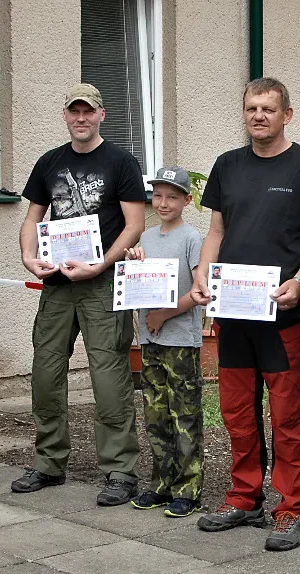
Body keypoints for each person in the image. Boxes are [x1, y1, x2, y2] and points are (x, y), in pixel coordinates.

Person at [191, 77, 300, 552]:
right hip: (233, 312)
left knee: (287, 415)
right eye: (252, 108)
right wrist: (202, 274)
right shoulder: (227, 165)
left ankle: (294, 506)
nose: (259, 116)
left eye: (268, 109)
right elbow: (216, 231)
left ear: (286, 114)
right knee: (236, 412)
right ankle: (244, 496)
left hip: (281, 314)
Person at [12, 83, 146, 505]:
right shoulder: (49, 162)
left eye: (89, 111)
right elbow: (32, 219)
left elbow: (134, 225)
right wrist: (29, 257)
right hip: (57, 284)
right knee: (46, 373)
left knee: (109, 377)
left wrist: (101, 264)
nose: (81, 118)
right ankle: (49, 463)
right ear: (66, 115)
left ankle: (120, 471)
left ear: (102, 114)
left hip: (101, 284)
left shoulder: (121, 162)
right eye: (75, 111)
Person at [124, 166, 205, 518]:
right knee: (155, 414)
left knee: (184, 414)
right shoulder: (146, 238)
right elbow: (137, 285)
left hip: (180, 340)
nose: (163, 202)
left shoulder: (192, 238)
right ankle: (162, 483)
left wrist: (163, 315)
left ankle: (189, 488)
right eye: (157, 195)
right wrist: (133, 263)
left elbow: (198, 291)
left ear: (187, 200)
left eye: (172, 196)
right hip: (150, 340)